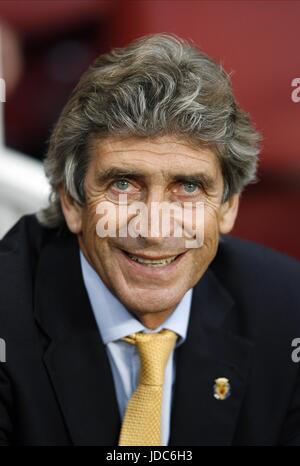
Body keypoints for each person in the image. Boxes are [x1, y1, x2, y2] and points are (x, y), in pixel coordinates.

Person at [0, 34, 300, 446]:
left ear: (229, 207)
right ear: (72, 202)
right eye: (123, 184)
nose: (155, 229)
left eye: (189, 188)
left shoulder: (288, 310)